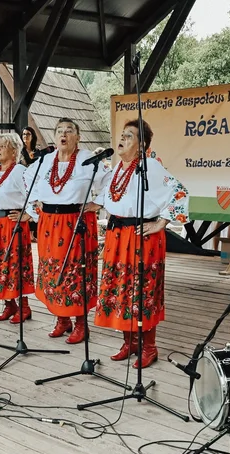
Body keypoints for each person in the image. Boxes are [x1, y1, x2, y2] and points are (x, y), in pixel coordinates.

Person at [90, 119, 188, 368]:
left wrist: (161, 223)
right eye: (121, 135)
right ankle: (129, 342)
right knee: (121, 290)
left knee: (142, 292)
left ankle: (149, 347)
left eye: (129, 136)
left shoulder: (150, 167)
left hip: (141, 237)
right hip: (117, 236)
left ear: (142, 144)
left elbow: (180, 193)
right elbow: (109, 198)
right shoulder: (117, 169)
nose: (122, 139)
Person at [26, 117, 109, 342]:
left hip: (76, 221)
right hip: (50, 223)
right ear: (54, 137)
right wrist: (36, 204)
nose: (64, 134)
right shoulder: (45, 160)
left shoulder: (88, 159)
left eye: (69, 131)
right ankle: (62, 319)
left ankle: (82, 324)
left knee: (76, 271)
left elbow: (108, 183)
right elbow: (27, 180)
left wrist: (97, 203)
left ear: (78, 137)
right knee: (53, 271)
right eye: (60, 131)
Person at [0, 131, 36, 323]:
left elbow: (34, 194)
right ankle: (9, 304)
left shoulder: (20, 171)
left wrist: (28, 215)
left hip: (11, 225)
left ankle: (25, 307)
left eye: (2, 146)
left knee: (15, 265)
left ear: (14, 151)